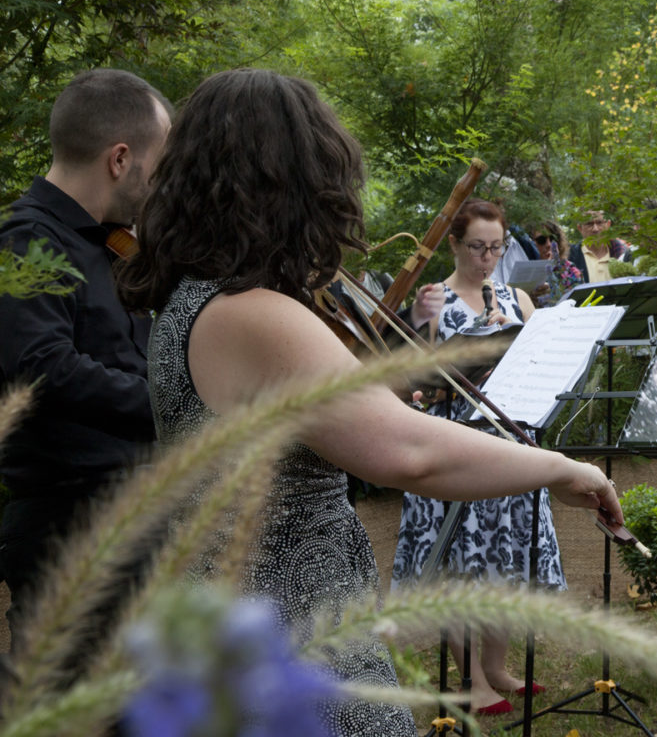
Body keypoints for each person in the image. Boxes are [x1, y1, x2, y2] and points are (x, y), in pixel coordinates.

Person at [117, 69, 622, 736]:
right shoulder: (258, 314)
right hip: (294, 632)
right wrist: (560, 467)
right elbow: (407, 451)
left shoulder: (192, 303)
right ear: (294, 184)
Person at [0, 69, 172, 642]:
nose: (161, 183)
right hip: (72, 525)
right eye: (158, 165)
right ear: (120, 160)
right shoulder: (27, 240)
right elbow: (44, 367)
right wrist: (172, 406)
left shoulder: (111, 244)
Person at [392, 198, 561, 715]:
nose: (486, 259)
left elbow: (541, 367)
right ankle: (469, 679)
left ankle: (494, 665)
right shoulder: (433, 299)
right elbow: (402, 378)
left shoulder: (518, 300)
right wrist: (422, 323)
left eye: (495, 248)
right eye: (476, 248)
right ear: (454, 245)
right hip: (454, 445)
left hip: (510, 442)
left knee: (505, 557)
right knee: (462, 562)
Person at [567, 209, 632, 283]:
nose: (595, 229)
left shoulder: (622, 254)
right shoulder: (571, 257)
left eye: (599, 222)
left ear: (608, 224)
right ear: (580, 228)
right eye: (589, 224)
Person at [529, 220, 581, 306]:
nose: (549, 244)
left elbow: (580, 301)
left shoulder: (570, 270)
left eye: (553, 239)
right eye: (541, 240)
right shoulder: (528, 272)